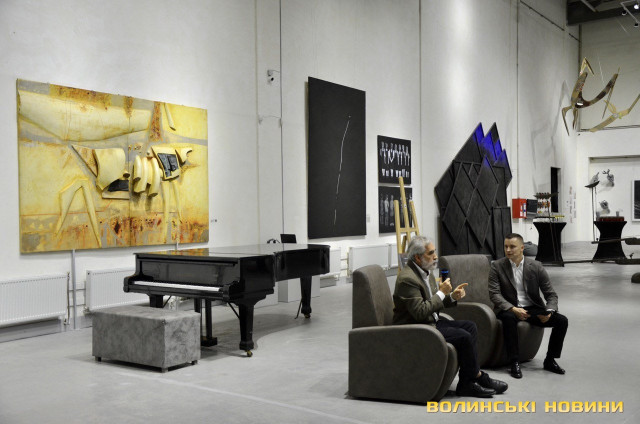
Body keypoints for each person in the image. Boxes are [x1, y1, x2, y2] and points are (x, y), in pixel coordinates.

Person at [392, 236, 508, 398]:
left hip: (430, 323)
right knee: (463, 336)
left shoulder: (426, 272)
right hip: (415, 329)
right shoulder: (407, 279)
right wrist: (441, 293)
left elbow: (432, 303)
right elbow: (420, 312)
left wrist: (452, 296)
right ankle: (477, 376)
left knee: (470, 326)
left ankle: (467, 382)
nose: (435, 257)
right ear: (417, 257)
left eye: (435, 252)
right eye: (430, 253)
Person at [488, 233, 569, 379]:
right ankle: (514, 361)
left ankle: (550, 360)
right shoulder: (497, 266)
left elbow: (551, 294)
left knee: (562, 321)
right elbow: (494, 294)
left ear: (522, 248)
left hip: (532, 308)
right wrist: (513, 308)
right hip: (509, 308)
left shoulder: (536, 266)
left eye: (512, 247)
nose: (508, 250)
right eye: (506, 246)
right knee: (508, 319)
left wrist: (549, 311)